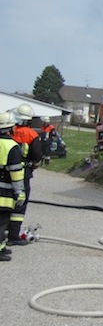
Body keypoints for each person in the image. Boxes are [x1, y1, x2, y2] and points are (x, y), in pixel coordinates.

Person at [8, 104, 42, 245]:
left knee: (6, 201)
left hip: (6, 173)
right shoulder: (32, 134)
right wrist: (33, 165)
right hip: (24, 173)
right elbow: (37, 156)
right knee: (20, 204)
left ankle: (4, 230)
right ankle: (13, 235)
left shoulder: (10, 132)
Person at [0, 111, 25, 262]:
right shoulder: (12, 146)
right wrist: (20, 192)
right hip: (4, 194)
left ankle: (2, 247)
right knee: (2, 222)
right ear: (10, 128)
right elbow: (15, 173)